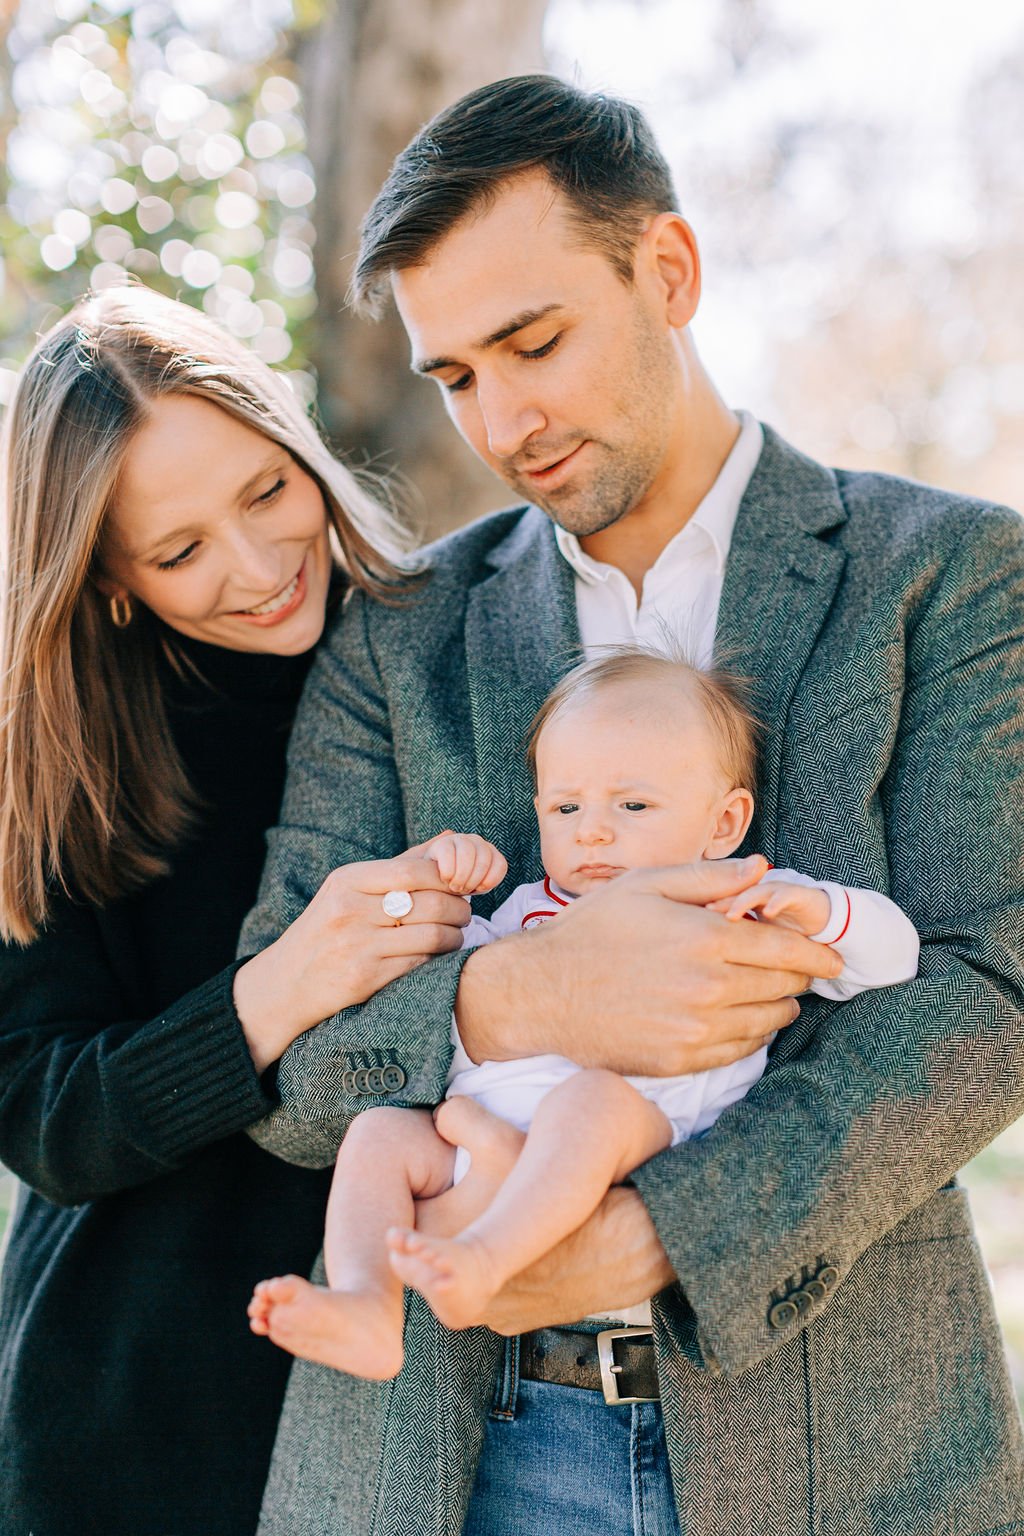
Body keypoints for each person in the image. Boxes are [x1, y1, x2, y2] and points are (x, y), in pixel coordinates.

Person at [241, 75, 1024, 1536]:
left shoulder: (957, 581)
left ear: (668, 272)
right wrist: (513, 1001)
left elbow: (993, 997)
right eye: (457, 376)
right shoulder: (394, 638)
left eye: (534, 341)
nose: (503, 418)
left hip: (842, 1447)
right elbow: (288, 1066)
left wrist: (646, 1235)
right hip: (438, 1461)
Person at [0, 284, 473, 1536]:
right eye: (179, 551)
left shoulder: (441, 665)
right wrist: (283, 985)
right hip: (132, 1412)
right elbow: (52, 1123)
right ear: (102, 576)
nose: (259, 570)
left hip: (415, 1401)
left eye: (267, 494)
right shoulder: (55, 766)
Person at [248, 648, 920, 1375]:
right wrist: (440, 888)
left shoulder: (737, 900)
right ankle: (365, 1305)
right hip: (478, 1144)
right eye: (566, 808)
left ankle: (484, 1257)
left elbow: (899, 958)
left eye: (632, 806)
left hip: (637, 1131)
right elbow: (434, 977)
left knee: (589, 1101)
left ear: (724, 823)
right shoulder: (532, 908)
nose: (592, 831)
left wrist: (822, 911)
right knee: (380, 1133)